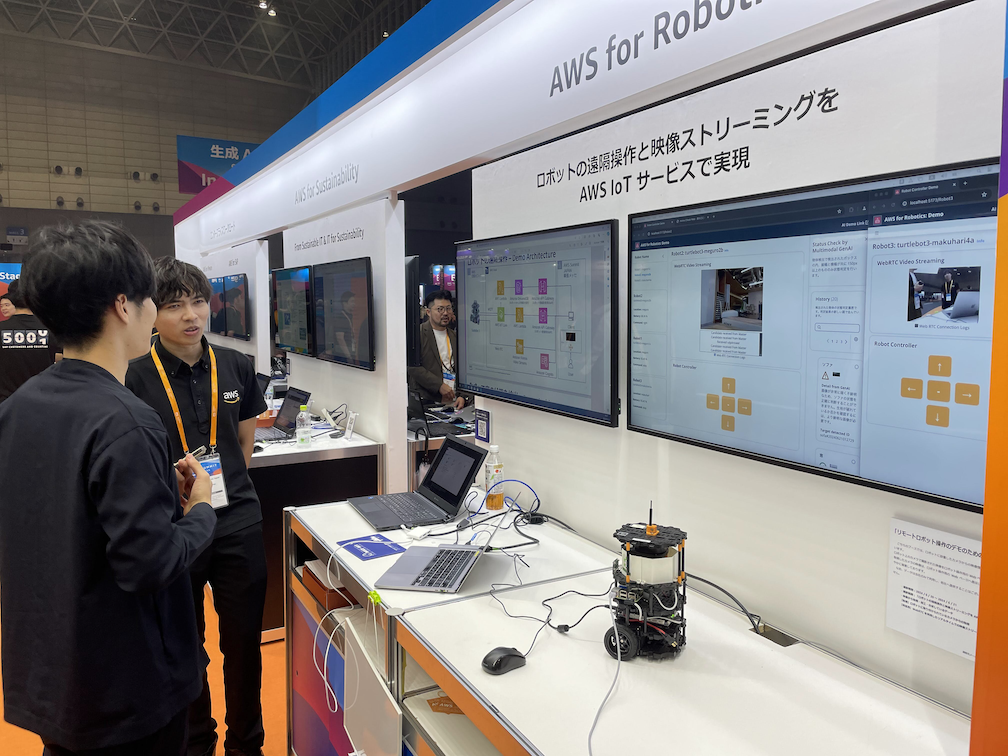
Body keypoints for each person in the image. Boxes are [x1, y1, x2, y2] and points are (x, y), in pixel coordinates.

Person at [0, 220, 217, 756]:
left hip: (56, 673)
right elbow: (148, 564)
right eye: (153, 300)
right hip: (127, 688)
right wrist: (200, 511)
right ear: (124, 306)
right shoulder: (126, 421)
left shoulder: (20, 405)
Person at [126, 257, 269, 756]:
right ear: (152, 312)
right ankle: (197, 743)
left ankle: (246, 745)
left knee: (244, 644)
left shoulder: (236, 365)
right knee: (184, 647)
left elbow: (244, 445)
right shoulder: (133, 376)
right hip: (173, 528)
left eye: (198, 302)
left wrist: (219, 489)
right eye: (174, 305)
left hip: (238, 522)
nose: (191, 315)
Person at [0, 278, 61, 404]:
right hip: (42, 401)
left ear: (11, 299)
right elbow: (62, 358)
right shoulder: (51, 329)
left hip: (6, 403)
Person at [408, 289, 468, 410]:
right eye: (440, 309)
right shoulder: (417, 334)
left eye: (449, 308)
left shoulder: (456, 336)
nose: (445, 313)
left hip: (454, 401)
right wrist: (439, 386)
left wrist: (463, 396)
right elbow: (413, 367)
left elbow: (464, 368)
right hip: (428, 401)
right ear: (428, 312)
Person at [332, 289, 356, 362]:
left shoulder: (349, 316)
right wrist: (348, 356)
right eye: (352, 301)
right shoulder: (341, 318)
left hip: (349, 353)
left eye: (354, 301)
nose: (354, 304)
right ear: (344, 303)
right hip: (343, 357)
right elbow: (340, 338)